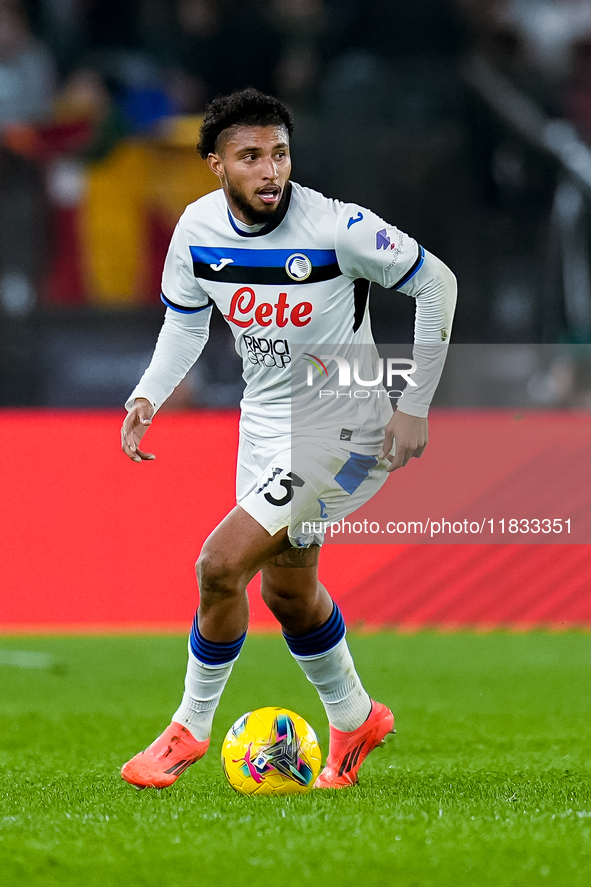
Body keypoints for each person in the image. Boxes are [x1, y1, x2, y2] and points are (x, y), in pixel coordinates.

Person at [120, 88, 457, 790]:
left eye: (278, 153)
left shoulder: (336, 227)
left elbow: (438, 284)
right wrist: (149, 392)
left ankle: (188, 727)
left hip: (344, 427)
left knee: (219, 564)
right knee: (288, 591)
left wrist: (413, 406)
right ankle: (356, 716)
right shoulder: (196, 229)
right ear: (215, 164)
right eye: (250, 157)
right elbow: (186, 323)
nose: (269, 169)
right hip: (265, 423)